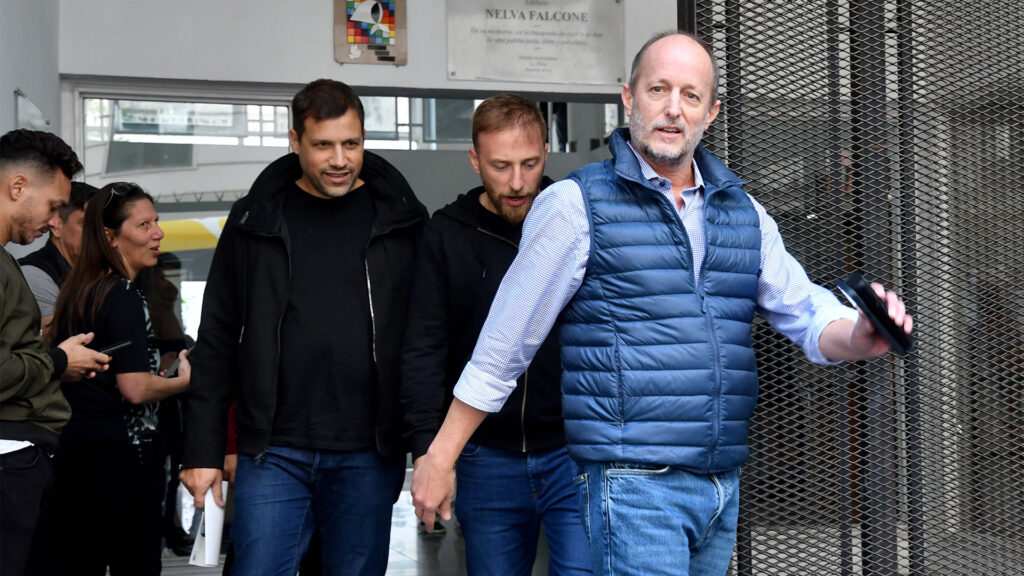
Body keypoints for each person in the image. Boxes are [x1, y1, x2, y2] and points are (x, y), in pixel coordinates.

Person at [410, 32, 914, 576]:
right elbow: (504, 346)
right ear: (629, 98)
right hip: (632, 483)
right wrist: (440, 456)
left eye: (690, 95)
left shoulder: (742, 211)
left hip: (720, 485)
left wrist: (858, 333)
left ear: (711, 112)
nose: (673, 108)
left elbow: (808, 312)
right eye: (658, 89)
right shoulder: (573, 205)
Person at [180, 78, 427, 575]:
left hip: (368, 450)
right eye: (323, 145)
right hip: (273, 449)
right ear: (295, 141)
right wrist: (203, 450)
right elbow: (218, 336)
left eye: (351, 144)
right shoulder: (253, 220)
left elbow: (427, 338)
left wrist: (429, 447)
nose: (339, 160)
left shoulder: (404, 221)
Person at [401, 94, 591, 575]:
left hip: (573, 452)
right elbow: (424, 347)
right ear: (475, 160)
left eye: (530, 163)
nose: (518, 182)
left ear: (546, 152)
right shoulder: (447, 234)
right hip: (485, 456)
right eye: (500, 166)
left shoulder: (575, 223)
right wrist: (429, 452)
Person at [45, 182, 191, 575]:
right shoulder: (123, 293)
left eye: (156, 222)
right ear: (110, 236)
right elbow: (135, 388)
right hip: (123, 461)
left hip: (75, 456)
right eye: (144, 225)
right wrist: (180, 382)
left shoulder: (79, 289)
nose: (158, 233)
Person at [0, 129, 109, 576]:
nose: (52, 222)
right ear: (18, 186)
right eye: (52, 206)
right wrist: (60, 360)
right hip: (10, 457)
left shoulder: (5, 259)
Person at [19, 181, 99, 333]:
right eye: (86, 223)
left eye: (101, 225)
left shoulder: (96, 270)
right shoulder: (33, 273)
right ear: (56, 226)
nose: (97, 233)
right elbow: (54, 340)